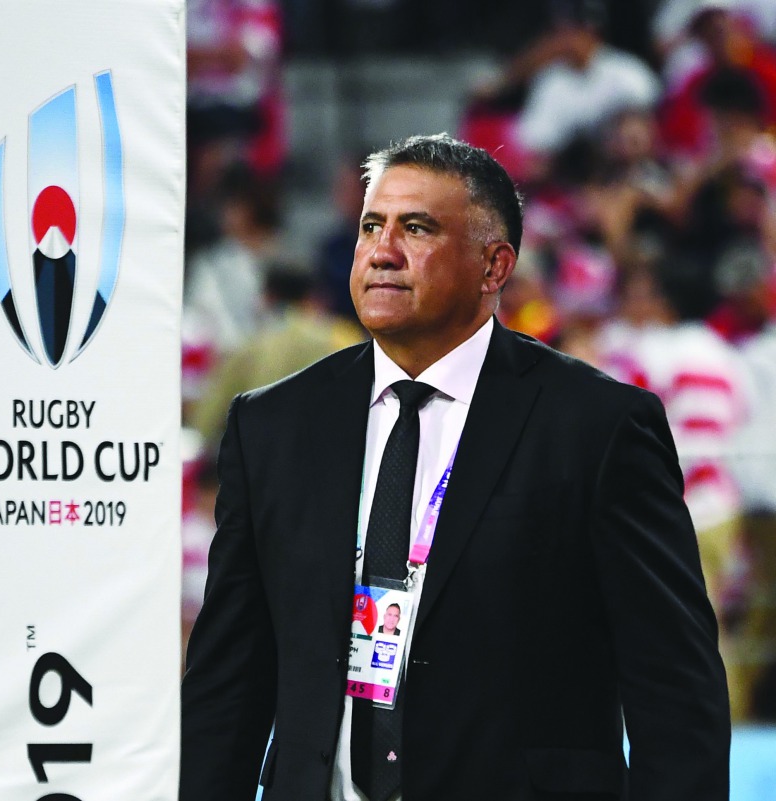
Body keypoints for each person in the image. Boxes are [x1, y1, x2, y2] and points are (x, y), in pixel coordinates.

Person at [180, 134, 730, 801]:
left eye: (417, 228)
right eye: (370, 226)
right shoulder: (272, 426)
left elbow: (675, 692)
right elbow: (227, 686)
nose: (382, 251)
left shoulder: (599, 428)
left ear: (494, 266)